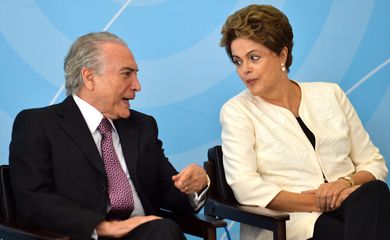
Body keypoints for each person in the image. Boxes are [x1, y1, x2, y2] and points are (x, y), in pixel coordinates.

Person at [9, 31, 209, 240]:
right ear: (89, 77)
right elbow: (33, 201)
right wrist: (103, 227)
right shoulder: (38, 124)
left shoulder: (143, 126)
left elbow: (171, 192)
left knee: (163, 230)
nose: (137, 86)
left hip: (148, 235)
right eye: (126, 74)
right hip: (82, 236)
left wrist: (197, 186)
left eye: (136, 74)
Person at [219, 4, 390, 240]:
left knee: (376, 191)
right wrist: (319, 202)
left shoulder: (331, 94)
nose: (244, 70)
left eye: (254, 58)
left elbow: (374, 163)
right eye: (238, 61)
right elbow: (246, 187)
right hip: (290, 222)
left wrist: (344, 184)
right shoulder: (237, 111)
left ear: (282, 54)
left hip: (351, 208)